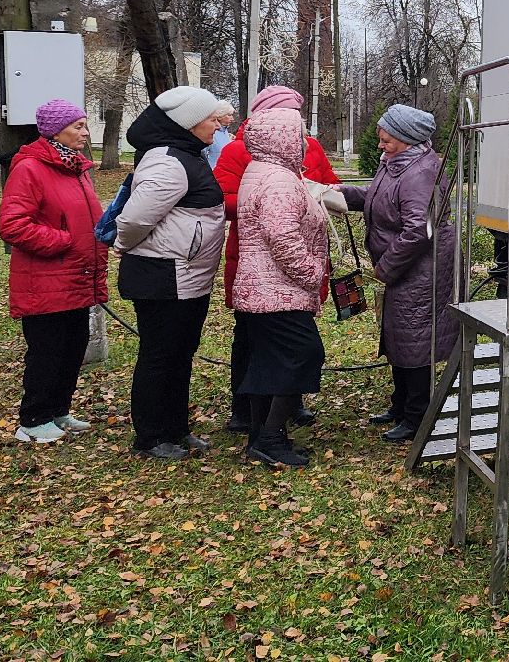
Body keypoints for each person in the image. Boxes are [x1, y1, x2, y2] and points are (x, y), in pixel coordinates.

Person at [215, 84, 341, 433]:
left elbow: (330, 183)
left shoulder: (278, 165)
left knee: (277, 351)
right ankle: (261, 427)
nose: (303, 136)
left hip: (269, 274)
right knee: (285, 348)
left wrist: (319, 193)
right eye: (295, 126)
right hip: (273, 276)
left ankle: (272, 423)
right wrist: (312, 272)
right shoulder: (270, 175)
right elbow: (281, 235)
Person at [114, 85, 228, 459]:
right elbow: (132, 220)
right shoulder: (167, 162)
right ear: (188, 123)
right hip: (162, 276)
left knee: (180, 354)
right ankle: (150, 437)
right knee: (160, 356)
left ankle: (176, 428)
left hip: (186, 276)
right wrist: (125, 246)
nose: (219, 123)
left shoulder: (187, 154)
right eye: (211, 118)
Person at [343, 104, 457, 442]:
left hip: (421, 268)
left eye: (386, 139)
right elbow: (378, 198)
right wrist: (343, 193)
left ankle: (417, 416)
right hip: (404, 268)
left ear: (407, 138)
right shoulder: (397, 164)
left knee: (415, 340)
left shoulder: (420, 172)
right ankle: (400, 404)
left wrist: (385, 267)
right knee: (399, 334)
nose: (380, 145)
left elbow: (419, 230)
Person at [0, 99, 108, 444]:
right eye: (78, 126)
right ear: (55, 130)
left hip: (76, 276)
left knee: (72, 347)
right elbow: (12, 225)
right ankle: (32, 419)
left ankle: (58, 411)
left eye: (85, 125)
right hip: (45, 280)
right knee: (47, 351)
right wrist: (63, 241)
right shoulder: (31, 168)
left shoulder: (75, 168)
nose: (85, 133)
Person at [229, 106, 329, 467]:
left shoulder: (263, 171)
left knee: (268, 362)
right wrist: (312, 272)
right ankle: (270, 437)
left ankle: (261, 437)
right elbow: (282, 237)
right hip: (277, 291)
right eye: (299, 135)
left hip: (260, 289)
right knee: (303, 354)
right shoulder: (278, 180)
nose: (304, 143)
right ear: (281, 139)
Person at [203, 102, 237, 168]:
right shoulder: (211, 133)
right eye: (229, 115)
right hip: (213, 174)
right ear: (220, 116)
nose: (232, 119)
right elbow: (202, 154)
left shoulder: (226, 132)